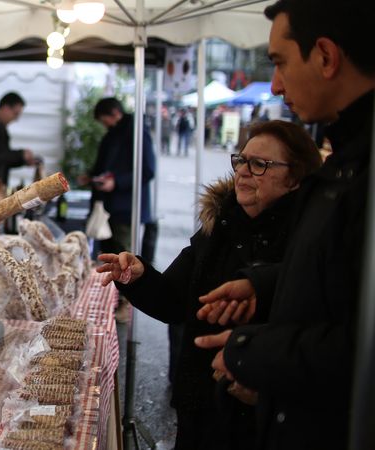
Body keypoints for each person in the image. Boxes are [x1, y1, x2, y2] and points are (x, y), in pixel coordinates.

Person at [191, 1, 375, 449]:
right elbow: (343, 274)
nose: (274, 85)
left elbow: (360, 342)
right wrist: (263, 285)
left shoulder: (361, 170)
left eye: (280, 63)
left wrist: (252, 352)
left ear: (326, 57)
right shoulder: (347, 162)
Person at [97, 120, 322, 450]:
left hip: (262, 418)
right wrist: (138, 275)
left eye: (260, 164)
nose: (243, 172)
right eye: (241, 160)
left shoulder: (309, 242)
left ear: (294, 178)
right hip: (199, 407)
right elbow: (173, 301)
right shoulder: (219, 227)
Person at [79, 97, 155, 322]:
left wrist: (118, 183)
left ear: (113, 113)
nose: (104, 125)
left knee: (124, 257)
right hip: (108, 207)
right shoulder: (115, 133)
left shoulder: (137, 132)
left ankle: (127, 304)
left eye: (104, 120)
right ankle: (112, 299)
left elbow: (147, 171)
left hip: (126, 208)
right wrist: (93, 178)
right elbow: (107, 166)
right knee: (109, 257)